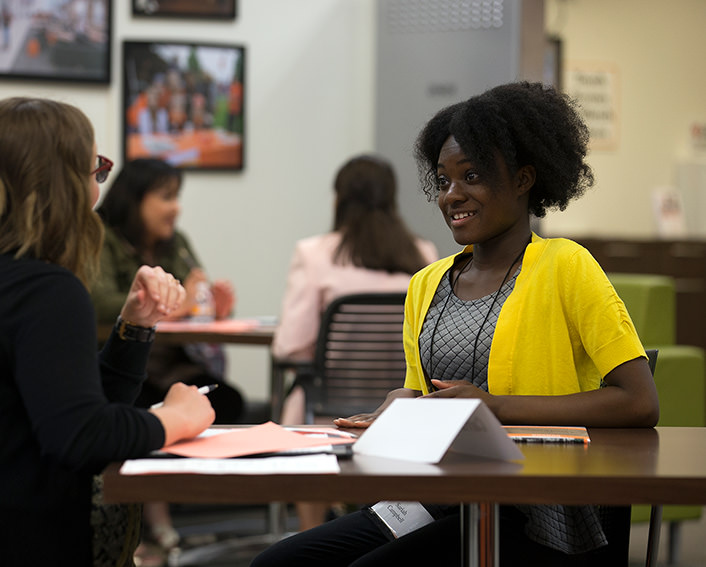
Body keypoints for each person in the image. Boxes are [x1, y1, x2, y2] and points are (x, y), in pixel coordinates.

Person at [252, 82, 660, 567]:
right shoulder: (426, 284)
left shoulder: (566, 266)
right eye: (443, 181)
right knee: (276, 563)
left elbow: (639, 401)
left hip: (537, 508)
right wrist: (402, 404)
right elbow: (429, 400)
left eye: (472, 176)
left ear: (525, 179)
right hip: (441, 494)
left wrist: (492, 407)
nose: (452, 195)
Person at [0, 97, 215, 567]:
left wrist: (135, 324)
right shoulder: (45, 290)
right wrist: (178, 419)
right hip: (5, 540)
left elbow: (72, 407)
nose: (97, 191)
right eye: (96, 170)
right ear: (63, 186)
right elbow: (82, 439)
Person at [272, 154, 438, 531]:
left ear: (339, 200)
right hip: (401, 411)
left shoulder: (313, 254)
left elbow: (290, 348)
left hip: (329, 413)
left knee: (297, 391)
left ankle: (309, 535)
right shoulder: (423, 254)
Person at [91, 157, 244, 564]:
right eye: (165, 197)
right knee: (139, 403)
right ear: (134, 197)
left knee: (227, 401)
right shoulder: (100, 237)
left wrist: (213, 304)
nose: (175, 208)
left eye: (177, 197)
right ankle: (153, 524)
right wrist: (166, 306)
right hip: (122, 363)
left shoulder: (175, 241)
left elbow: (197, 292)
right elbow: (99, 300)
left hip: (173, 364)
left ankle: (171, 522)